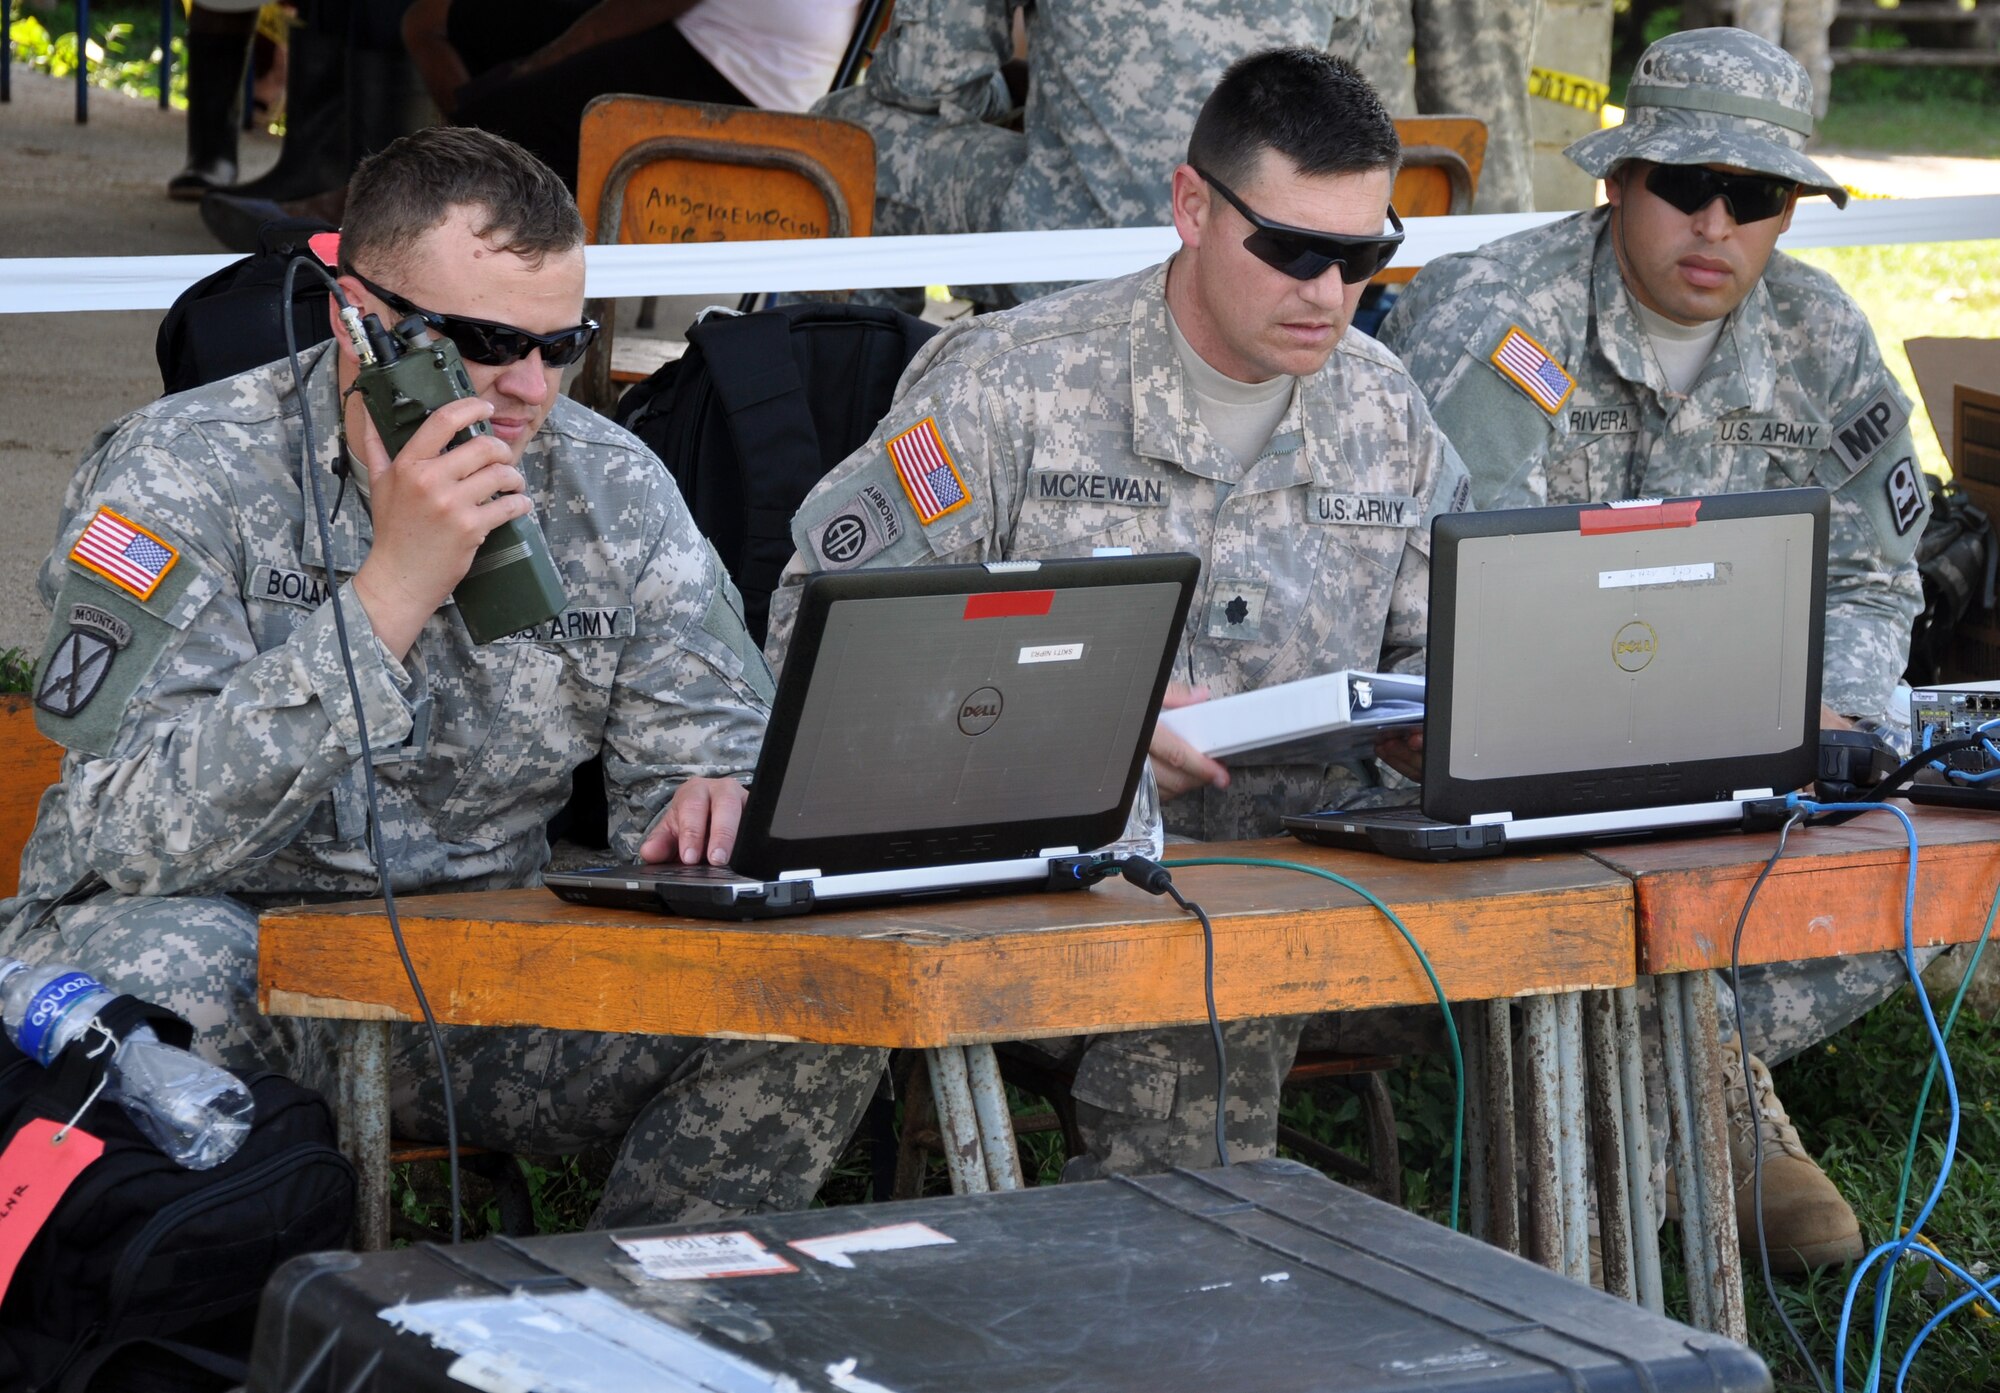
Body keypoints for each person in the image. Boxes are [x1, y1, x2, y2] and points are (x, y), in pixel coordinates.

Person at [2, 126, 884, 1230]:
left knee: (815, 995)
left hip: (477, 973)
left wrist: (716, 803)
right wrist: (385, 600)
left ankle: (629, 1328)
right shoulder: (184, 470)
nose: (527, 388)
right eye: (480, 341)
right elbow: (125, 836)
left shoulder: (608, 485)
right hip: (240, 961)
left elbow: (710, 748)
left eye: (563, 344)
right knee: (164, 975)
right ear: (356, 317)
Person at [769, 49, 1470, 1178]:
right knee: (1209, 997)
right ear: (1190, 206)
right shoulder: (1013, 383)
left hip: (1319, 883)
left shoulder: (1380, 405)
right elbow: (818, 634)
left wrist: (1440, 721)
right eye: (1291, 249)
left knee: (1594, 958)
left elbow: (1441, 637)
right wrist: (1076, 724)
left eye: (1361, 256)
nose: (1327, 293)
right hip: (1053, 890)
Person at [1381, 27, 1920, 1272]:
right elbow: (1442, 600)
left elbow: (1868, 574)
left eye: (1757, 197)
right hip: (1509, 767)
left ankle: (1683, 1101)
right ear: (1616, 182)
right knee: (1574, 908)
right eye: (1684, 185)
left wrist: (1822, 724)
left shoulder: (1821, 338)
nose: (1715, 224)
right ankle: (1721, 1135)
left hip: (1741, 755)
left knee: (1908, 884)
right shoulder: (1495, 322)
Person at [817, 1, 1376, 306]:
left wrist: (1020, 97)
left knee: (842, 131)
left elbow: (927, 83)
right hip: (1272, 254)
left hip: (1076, 251)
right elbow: (1328, 97)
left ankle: (859, 392)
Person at [402, 0, 864, 192]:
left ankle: (414, 193)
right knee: (444, 23)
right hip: (752, 74)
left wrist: (544, 63)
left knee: (496, 117)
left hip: (723, 75)